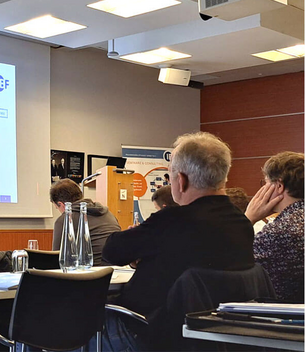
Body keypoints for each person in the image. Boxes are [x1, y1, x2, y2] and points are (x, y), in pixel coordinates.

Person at [101, 132, 254, 351]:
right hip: (213, 338)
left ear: (180, 181)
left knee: (74, 326)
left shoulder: (171, 221)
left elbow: (111, 250)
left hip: (149, 332)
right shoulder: (242, 223)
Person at [245, 151, 304, 302]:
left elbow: (233, 267)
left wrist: (247, 219)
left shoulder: (278, 232)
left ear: (278, 186)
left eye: (265, 183)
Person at [51, 179, 121, 266]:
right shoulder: (108, 214)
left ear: (61, 204)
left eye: (57, 208)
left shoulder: (65, 219)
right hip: (119, 271)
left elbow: (56, 259)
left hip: (91, 273)